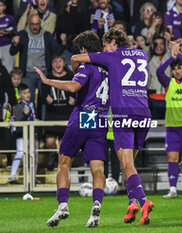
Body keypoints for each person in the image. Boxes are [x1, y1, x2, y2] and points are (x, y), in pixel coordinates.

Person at [70, 27, 154, 225]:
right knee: (129, 166)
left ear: (114, 41)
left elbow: (78, 58)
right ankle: (132, 203)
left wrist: (76, 64)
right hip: (143, 112)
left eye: (106, 45)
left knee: (126, 165)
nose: (104, 49)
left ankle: (143, 201)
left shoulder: (112, 56)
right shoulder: (142, 54)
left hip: (123, 113)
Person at [34, 30, 109, 228]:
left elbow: (74, 87)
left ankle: (63, 205)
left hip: (85, 115)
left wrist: (49, 81)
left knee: (64, 161)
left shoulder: (87, 66)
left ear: (84, 49)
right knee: (98, 168)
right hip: (101, 119)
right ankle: (96, 204)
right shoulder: (109, 68)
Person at [156, 41, 182, 198]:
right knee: (172, 158)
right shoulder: (169, 83)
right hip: (173, 127)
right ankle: (173, 189)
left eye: (179, 67)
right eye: (174, 69)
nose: (177, 71)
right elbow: (159, 72)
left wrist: (178, 54)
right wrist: (171, 57)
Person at [10, 13, 61, 104]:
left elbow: (57, 51)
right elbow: (12, 52)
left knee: (46, 99)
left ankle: (44, 118)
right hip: (28, 73)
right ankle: (31, 118)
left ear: (40, 24)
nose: (35, 27)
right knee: (28, 100)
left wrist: (63, 43)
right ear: (28, 23)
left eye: (37, 24)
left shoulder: (47, 35)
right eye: (32, 24)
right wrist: (15, 43)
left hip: (44, 72)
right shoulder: (22, 34)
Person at [41, 55, 75, 170]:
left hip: (66, 114)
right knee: (49, 141)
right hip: (52, 114)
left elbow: (77, 91)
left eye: (60, 61)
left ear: (64, 63)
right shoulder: (48, 78)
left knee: (62, 144)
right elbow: (43, 95)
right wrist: (46, 98)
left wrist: (74, 100)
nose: (58, 64)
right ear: (52, 65)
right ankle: (53, 156)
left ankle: (62, 165)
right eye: (55, 62)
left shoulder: (71, 76)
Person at [8, 83, 40, 184]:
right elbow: (17, 122)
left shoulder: (32, 104)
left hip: (32, 133)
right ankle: (12, 176)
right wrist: (25, 115)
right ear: (20, 94)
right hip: (22, 134)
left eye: (29, 92)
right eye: (25, 93)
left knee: (34, 154)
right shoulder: (18, 106)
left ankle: (33, 177)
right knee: (20, 152)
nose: (28, 95)